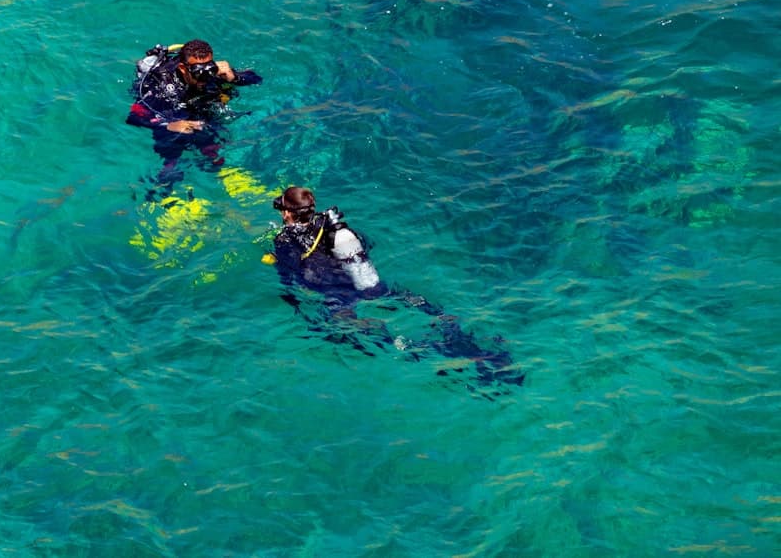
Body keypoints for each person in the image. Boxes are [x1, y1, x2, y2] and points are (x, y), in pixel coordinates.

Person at [268, 186, 524, 390]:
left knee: (347, 327)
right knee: (405, 299)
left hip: (336, 292)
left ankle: (403, 342)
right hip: (369, 283)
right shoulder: (331, 226)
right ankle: (450, 325)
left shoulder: (284, 238)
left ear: (288, 214)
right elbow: (365, 247)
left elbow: (291, 274)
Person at [126, 39, 262, 199]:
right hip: (170, 118)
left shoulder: (210, 73)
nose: (205, 78)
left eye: (210, 69)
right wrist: (168, 125)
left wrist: (233, 78)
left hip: (198, 111)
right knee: (172, 152)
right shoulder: (161, 85)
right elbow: (133, 117)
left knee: (212, 142)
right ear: (183, 68)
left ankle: (221, 176)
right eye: (199, 73)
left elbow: (256, 79)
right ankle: (163, 192)